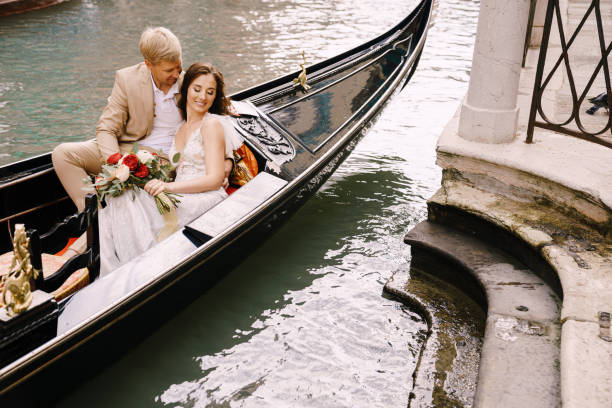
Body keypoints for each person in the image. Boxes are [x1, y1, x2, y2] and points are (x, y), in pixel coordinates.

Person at [52, 27, 235, 255]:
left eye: (179, 66)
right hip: (125, 149)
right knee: (63, 154)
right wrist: (117, 161)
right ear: (148, 64)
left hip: (165, 159)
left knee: (130, 194)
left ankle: (98, 235)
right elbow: (106, 128)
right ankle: (95, 220)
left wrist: (227, 162)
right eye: (169, 70)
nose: (177, 74)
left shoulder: (191, 82)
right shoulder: (127, 79)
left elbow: (216, 117)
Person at [99, 62, 236, 275]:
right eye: (197, 89)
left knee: (128, 199)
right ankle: (115, 273)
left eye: (210, 92)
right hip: (180, 193)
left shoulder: (211, 125)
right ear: (186, 89)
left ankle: (139, 271)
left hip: (205, 198)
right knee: (118, 198)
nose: (202, 97)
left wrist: (168, 187)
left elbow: (215, 180)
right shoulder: (180, 129)